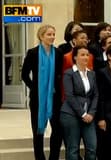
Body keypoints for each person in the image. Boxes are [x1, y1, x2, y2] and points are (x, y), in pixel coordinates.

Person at [21, 24, 62, 160]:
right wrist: (34, 88)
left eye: (53, 34)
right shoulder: (32, 53)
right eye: (49, 34)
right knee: (38, 132)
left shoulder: (58, 53)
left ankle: (53, 158)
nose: (52, 37)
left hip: (55, 98)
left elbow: (60, 74)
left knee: (57, 130)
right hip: (38, 98)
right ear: (41, 36)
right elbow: (24, 75)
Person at [60, 45, 98, 160]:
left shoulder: (92, 74)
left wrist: (91, 113)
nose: (86, 57)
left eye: (87, 55)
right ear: (75, 57)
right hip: (71, 114)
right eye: (82, 55)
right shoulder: (69, 73)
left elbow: (95, 95)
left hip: (89, 116)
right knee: (73, 149)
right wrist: (82, 114)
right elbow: (69, 96)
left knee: (92, 147)